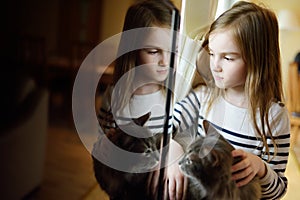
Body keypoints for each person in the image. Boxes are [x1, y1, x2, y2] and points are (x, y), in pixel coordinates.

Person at [170, 1, 290, 199]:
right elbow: (165, 129)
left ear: (257, 60)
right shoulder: (203, 97)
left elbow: (277, 191)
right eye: (212, 54)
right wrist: (173, 153)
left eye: (228, 58)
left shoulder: (274, 116)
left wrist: (261, 169)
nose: (215, 65)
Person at [92, 0, 183, 199]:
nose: (165, 62)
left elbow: (185, 146)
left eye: (173, 51)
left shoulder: (177, 98)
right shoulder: (114, 97)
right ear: (132, 48)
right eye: (153, 51)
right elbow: (104, 155)